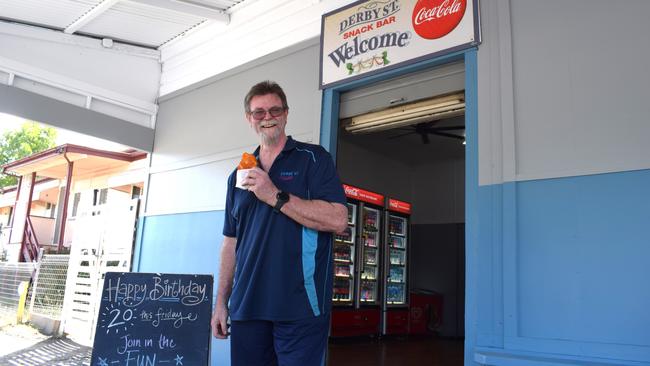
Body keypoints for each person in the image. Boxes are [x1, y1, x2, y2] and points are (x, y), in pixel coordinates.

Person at [211, 80, 348, 366]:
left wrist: (274, 195)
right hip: (247, 306)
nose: (268, 117)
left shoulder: (314, 159)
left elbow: (338, 219)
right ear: (249, 119)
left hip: (299, 305)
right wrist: (221, 302)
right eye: (259, 112)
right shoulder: (238, 175)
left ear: (286, 114)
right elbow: (230, 242)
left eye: (274, 110)